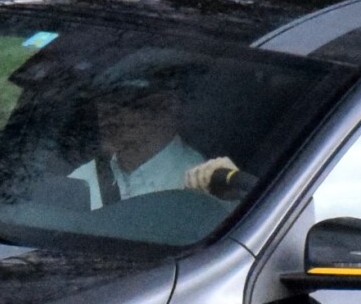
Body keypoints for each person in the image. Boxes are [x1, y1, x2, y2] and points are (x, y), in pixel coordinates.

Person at [68, 73, 242, 209]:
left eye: (122, 103)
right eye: (102, 103)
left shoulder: (206, 186)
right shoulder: (80, 180)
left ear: (166, 108)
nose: (106, 117)